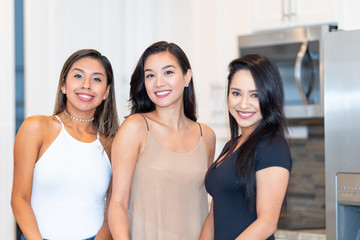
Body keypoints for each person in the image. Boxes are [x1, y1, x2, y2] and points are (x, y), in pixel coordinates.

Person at [108, 41, 216, 240]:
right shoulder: (135, 128)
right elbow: (118, 204)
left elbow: (209, 207)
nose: (158, 83)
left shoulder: (206, 136)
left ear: (187, 77)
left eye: (168, 72)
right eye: (150, 75)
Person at [11, 49, 119, 240]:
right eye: (78, 76)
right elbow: (19, 199)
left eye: (97, 79)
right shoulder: (35, 127)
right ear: (63, 85)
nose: (86, 85)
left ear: (106, 92)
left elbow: (113, 209)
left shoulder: (112, 142)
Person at [200, 54, 292, 240]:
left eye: (255, 95)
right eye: (236, 93)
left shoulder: (272, 146)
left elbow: (267, 222)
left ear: (270, 97)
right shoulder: (232, 146)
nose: (243, 104)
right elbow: (214, 215)